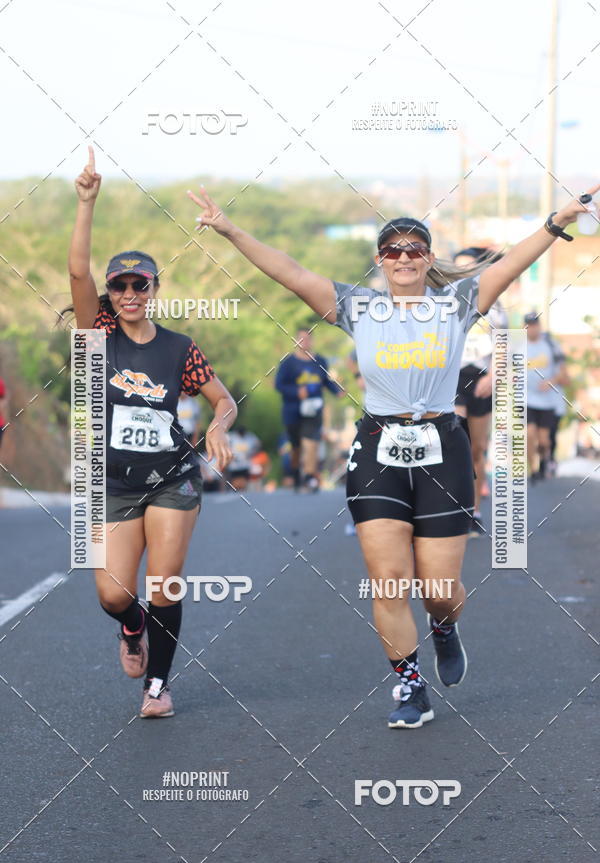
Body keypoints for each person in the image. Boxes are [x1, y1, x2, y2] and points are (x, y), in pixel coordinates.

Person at [188, 182, 598, 728]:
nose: (403, 257)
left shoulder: (457, 303)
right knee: (387, 579)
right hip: (378, 446)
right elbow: (287, 271)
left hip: (442, 448)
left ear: (427, 259)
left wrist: (557, 220)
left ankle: (445, 628)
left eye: (414, 249)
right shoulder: (358, 307)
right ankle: (409, 686)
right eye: (392, 249)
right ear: (380, 260)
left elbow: (515, 262)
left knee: (439, 589)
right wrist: (230, 229)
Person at [69, 148, 236, 718]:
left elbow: (224, 398)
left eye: (141, 284)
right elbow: (75, 272)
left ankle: (158, 687)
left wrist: (219, 424)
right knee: (114, 593)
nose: (130, 293)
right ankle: (133, 626)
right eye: (120, 286)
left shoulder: (179, 349)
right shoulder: (98, 337)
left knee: (165, 583)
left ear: (155, 289)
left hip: (171, 477)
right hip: (110, 481)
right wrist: (86, 203)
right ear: (110, 294)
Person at [453, 248, 509, 537]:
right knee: (457, 442)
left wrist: (494, 374)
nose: (463, 272)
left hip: (481, 379)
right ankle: (452, 509)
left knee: (476, 449)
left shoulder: (493, 305)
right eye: (457, 267)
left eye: (468, 268)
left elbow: (502, 345)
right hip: (452, 378)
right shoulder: (444, 301)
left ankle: (474, 512)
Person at [275, 327, 344, 492]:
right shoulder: (288, 363)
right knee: (296, 447)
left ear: (312, 341)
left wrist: (337, 391)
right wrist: (296, 392)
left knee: (311, 442)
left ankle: (310, 476)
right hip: (293, 410)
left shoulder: (320, 361)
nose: (304, 342)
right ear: (296, 341)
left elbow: (325, 381)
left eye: (307, 339)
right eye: (301, 339)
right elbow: (279, 385)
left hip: (314, 409)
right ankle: (296, 473)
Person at [524, 312, 569, 482]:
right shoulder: (519, 345)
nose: (532, 328)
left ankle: (544, 460)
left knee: (544, 440)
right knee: (529, 434)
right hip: (527, 399)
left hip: (547, 401)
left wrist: (551, 381)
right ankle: (533, 469)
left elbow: (563, 372)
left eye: (535, 324)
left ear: (539, 326)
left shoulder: (550, 344)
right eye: (529, 325)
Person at [225, 425, 261, 491]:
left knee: (244, 482)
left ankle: (243, 492)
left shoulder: (250, 436)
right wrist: (229, 455)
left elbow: (258, 444)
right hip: (234, 465)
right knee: (235, 483)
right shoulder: (231, 437)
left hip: (245, 464)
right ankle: (234, 491)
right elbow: (224, 445)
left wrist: (252, 453)